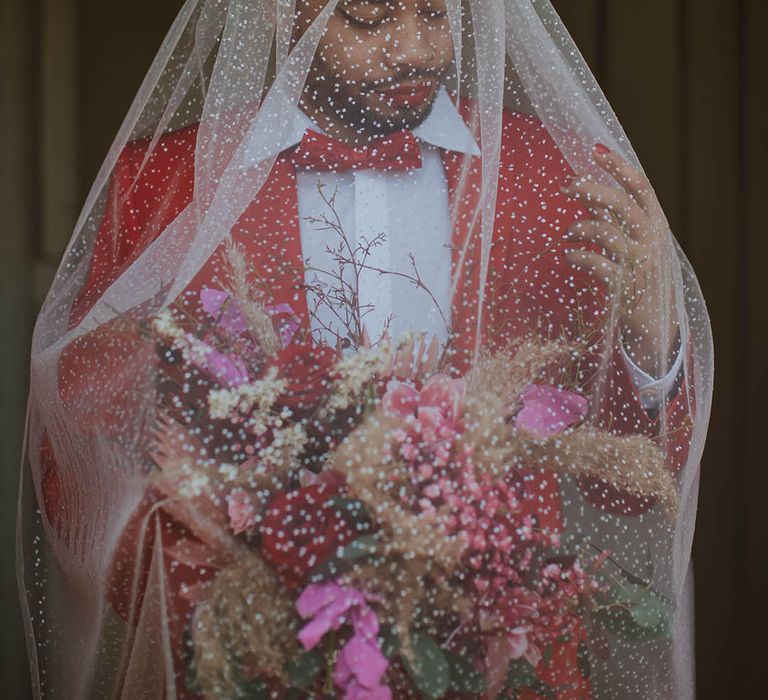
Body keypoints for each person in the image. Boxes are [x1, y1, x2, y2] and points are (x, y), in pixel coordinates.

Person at [22, 2, 711, 699]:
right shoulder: (166, 184)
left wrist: (651, 337)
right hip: (259, 667)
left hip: (507, 671)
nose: (413, 49)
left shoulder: (557, 178)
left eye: (438, 14)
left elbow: (630, 484)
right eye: (369, 18)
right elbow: (79, 463)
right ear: (275, 13)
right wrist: (249, 596)